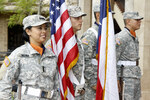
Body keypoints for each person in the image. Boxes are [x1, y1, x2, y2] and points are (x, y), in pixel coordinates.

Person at [0, 15, 60, 100]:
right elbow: (4, 84)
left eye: (45, 28)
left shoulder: (52, 56)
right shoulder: (18, 55)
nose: (44, 31)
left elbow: (56, 86)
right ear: (28, 31)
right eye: (39, 28)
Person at [45, 5, 86, 100]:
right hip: (63, 92)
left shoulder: (78, 41)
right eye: (77, 18)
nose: (81, 21)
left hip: (78, 92)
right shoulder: (56, 44)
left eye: (81, 18)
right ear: (66, 20)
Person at [116, 12, 143, 100]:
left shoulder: (134, 36)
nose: (139, 22)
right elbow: (114, 59)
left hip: (135, 76)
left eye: (140, 20)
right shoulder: (121, 37)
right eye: (136, 20)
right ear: (128, 21)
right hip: (125, 78)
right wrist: (116, 79)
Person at [80, 4, 100, 100]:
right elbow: (85, 59)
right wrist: (93, 82)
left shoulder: (105, 33)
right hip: (93, 82)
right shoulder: (91, 34)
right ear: (98, 15)